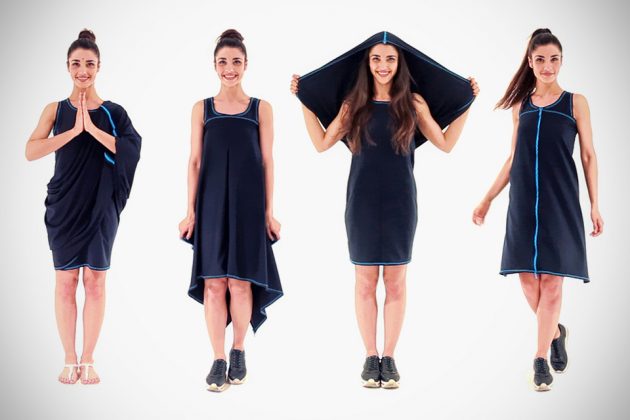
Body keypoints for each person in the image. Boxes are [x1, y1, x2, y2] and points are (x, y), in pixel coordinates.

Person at [291, 31, 478, 388]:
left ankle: (389, 358)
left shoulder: (413, 104)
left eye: (390, 59)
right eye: (376, 58)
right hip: (361, 202)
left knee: (395, 281)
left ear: (399, 63)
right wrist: (305, 100)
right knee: (364, 281)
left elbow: (445, 143)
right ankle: (369, 355)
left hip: (400, 203)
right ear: (368, 62)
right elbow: (321, 143)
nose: (383, 65)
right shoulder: (353, 105)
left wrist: (467, 103)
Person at [472, 28, 603, 391]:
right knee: (529, 281)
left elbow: (588, 155)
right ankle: (556, 332)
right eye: (541, 59)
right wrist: (487, 198)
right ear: (530, 62)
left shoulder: (576, 103)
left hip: (561, 202)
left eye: (554, 59)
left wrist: (595, 204)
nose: (548, 66)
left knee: (553, 280)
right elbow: (513, 157)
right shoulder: (521, 106)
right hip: (524, 202)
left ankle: (539, 359)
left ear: (562, 61)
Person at [25, 29, 142, 385]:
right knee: (65, 281)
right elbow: (31, 150)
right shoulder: (55, 109)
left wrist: (91, 127)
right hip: (64, 204)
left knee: (95, 281)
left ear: (99, 67)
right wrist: (73, 132)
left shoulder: (113, 112)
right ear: (67, 67)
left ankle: (88, 358)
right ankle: (69, 358)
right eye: (76, 64)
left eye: (89, 64)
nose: (83, 71)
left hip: (100, 206)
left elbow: (131, 149)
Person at [179, 29, 283, 393]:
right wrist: (190, 211)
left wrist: (269, 211)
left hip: (248, 203)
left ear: (246, 65)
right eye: (223, 62)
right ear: (214, 65)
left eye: (236, 62)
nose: (229, 68)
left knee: (240, 282)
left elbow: (267, 161)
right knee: (213, 284)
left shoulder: (261, 108)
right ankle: (218, 358)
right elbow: (194, 161)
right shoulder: (202, 108)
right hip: (210, 202)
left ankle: (238, 349)